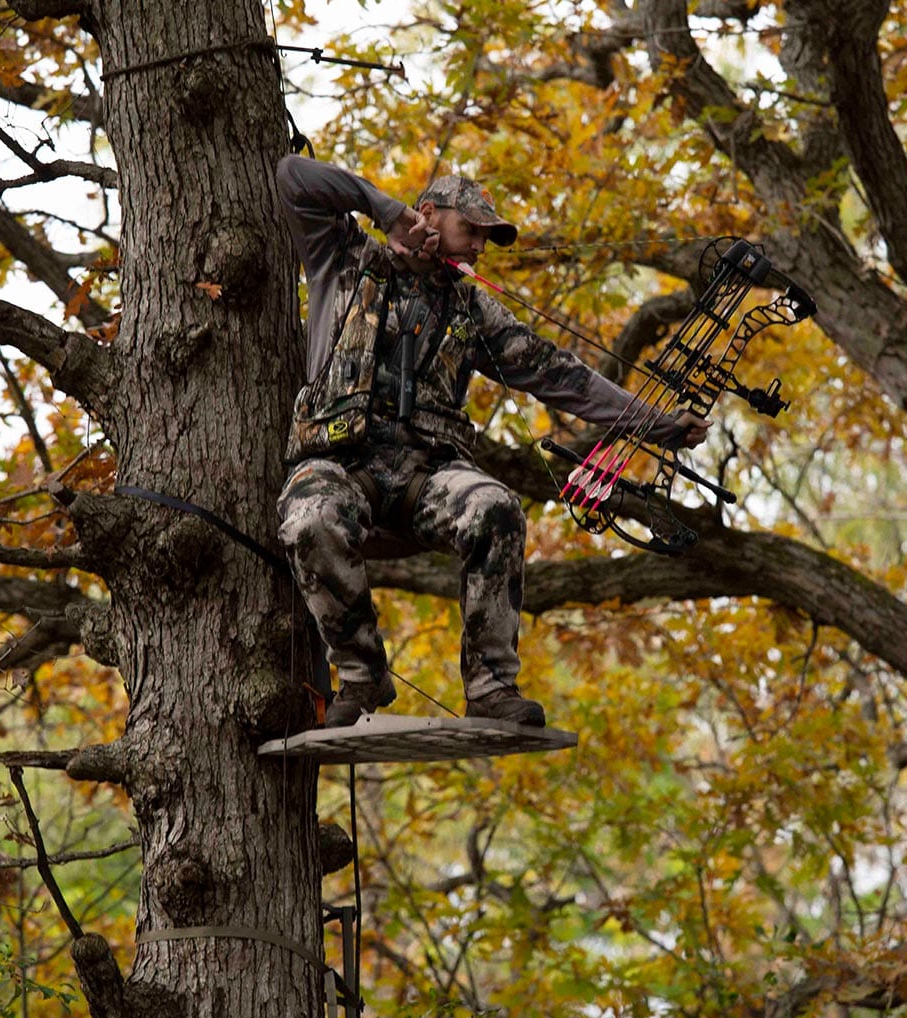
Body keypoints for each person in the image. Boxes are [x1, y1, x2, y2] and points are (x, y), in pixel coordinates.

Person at [273, 155, 710, 728]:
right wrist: (389, 212)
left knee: (496, 508)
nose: (479, 247)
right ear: (430, 213)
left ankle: (490, 687)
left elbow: (561, 375)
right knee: (309, 517)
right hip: (339, 461)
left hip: (426, 474)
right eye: (471, 229)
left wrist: (655, 423)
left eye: (486, 236)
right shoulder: (344, 255)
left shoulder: (471, 306)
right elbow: (291, 177)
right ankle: (361, 676)